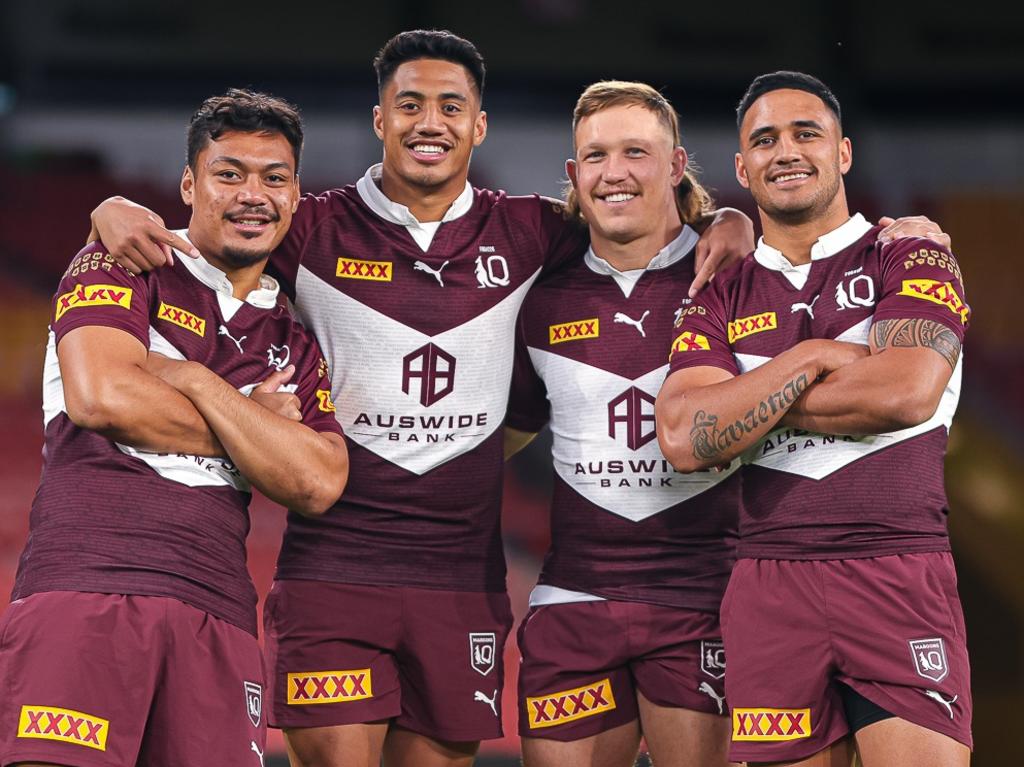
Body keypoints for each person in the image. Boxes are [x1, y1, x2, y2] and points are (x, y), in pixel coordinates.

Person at [88, 31, 757, 767]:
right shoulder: (309, 229)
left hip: (461, 584)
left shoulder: (535, 233)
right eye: (409, 104)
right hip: (333, 574)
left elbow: (640, 220)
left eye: (450, 106)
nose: (428, 122)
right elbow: (214, 232)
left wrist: (729, 220)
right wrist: (114, 208)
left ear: (479, 125)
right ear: (381, 121)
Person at [0, 89, 348, 767]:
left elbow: (318, 478)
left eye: (274, 178)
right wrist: (255, 428)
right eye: (229, 174)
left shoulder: (295, 339)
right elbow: (102, 397)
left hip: (219, 612)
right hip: (88, 587)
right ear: (189, 184)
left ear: (296, 195)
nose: (253, 193)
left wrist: (187, 377)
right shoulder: (120, 258)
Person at [655, 71, 971, 767]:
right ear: (743, 167)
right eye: (765, 140)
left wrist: (743, 399)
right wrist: (814, 357)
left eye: (806, 133)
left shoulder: (907, 251)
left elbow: (905, 391)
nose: (786, 151)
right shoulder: (719, 287)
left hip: (899, 568)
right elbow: (681, 435)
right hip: (769, 579)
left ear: (844, 153)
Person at [504, 80, 740, 767]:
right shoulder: (540, 297)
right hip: (574, 599)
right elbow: (506, 431)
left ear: (674, 165)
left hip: (705, 598)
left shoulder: (735, 276)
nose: (614, 171)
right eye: (595, 155)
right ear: (574, 176)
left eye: (635, 151)